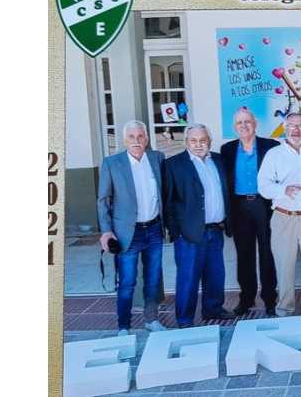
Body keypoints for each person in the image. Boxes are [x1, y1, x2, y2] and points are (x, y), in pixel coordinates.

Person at [257, 112, 301, 322]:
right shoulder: (274, 155)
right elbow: (263, 186)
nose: (296, 130)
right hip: (283, 217)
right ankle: (285, 311)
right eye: (291, 126)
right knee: (284, 265)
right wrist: (283, 190)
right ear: (284, 128)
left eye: (300, 126)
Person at [97, 120, 167, 336]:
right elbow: (103, 200)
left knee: (153, 279)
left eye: (140, 136)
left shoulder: (157, 158)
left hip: (154, 229)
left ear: (147, 138)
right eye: (131, 137)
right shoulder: (112, 163)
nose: (136, 141)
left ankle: (151, 319)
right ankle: (124, 326)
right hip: (127, 233)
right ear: (124, 140)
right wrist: (106, 231)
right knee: (127, 282)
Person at [164, 123, 235, 328]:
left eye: (202, 140)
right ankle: (185, 318)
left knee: (215, 274)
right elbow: (168, 203)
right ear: (186, 142)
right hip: (189, 234)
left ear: (209, 142)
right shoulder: (174, 164)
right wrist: (176, 232)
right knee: (188, 277)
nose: (198, 144)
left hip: (216, 229)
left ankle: (213, 308)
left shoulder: (219, 160)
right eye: (193, 140)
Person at [220, 108, 280, 317]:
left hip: (264, 205)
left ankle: (270, 300)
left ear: (255, 123)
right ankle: (246, 299)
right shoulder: (227, 149)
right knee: (244, 255)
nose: (244, 126)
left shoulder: (271, 146)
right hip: (239, 207)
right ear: (234, 127)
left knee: (267, 253)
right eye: (239, 123)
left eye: (247, 121)